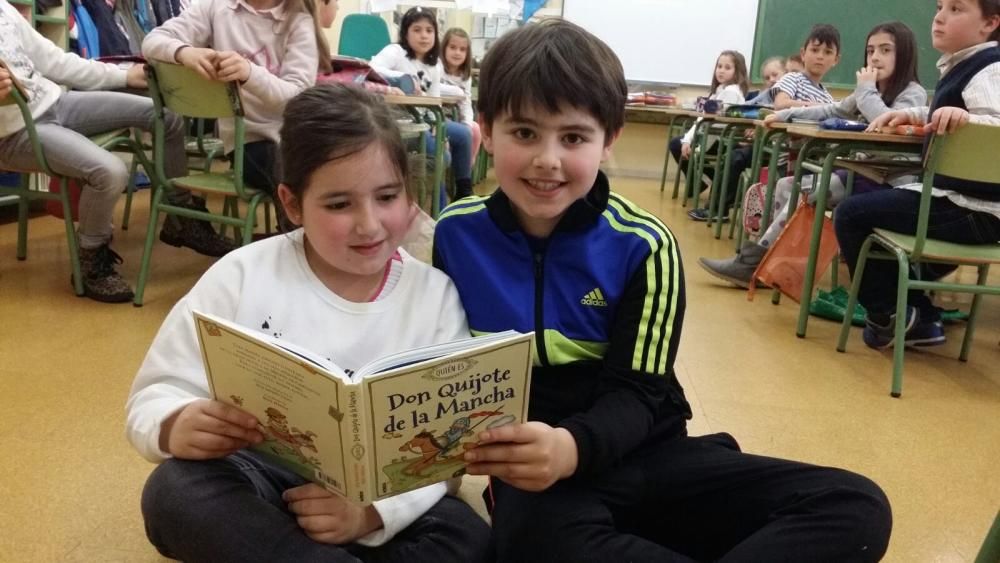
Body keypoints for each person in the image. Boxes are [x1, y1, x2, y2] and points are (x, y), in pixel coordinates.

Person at [433, 19, 892, 562]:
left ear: (609, 140)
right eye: (524, 133)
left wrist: (573, 446)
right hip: (542, 480)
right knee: (530, 542)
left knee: (855, 505)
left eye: (574, 137)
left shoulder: (644, 245)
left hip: (645, 452)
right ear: (485, 129)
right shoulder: (456, 233)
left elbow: (640, 392)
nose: (547, 160)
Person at [127, 84, 491, 563]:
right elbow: (155, 391)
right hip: (260, 478)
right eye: (339, 204)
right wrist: (175, 424)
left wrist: (371, 513)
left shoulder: (435, 295)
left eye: (387, 196)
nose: (369, 224)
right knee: (174, 494)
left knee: (468, 538)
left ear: (409, 191)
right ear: (292, 204)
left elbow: (447, 459)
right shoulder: (241, 275)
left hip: (379, 500)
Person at [0, 0, 233, 303]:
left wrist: (122, 76)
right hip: (13, 135)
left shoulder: (4, 8)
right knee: (109, 172)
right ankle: (91, 260)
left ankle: (182, 218)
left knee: (166, 117)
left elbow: (55, 61)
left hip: (56, 103)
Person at [701, 21, 927, 288]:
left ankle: (754, 265)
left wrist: (866, 90)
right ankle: (772, 266)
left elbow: (886, 123)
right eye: (870, 50)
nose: (875, 57)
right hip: (862, 174)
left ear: (905, 55)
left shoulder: (913, 93)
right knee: (787, 185)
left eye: (885, 50)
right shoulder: (870, 90)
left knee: (812, 191)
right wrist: (783, 114)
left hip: (889, 181)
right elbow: (831, 111)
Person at [837, 0, 1000, 349]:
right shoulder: (964, 64)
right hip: (965, 205)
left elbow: (996, 123)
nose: (940, 17)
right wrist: (916, 114)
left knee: (851, 214)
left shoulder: (989, 67)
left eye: (956, 9)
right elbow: (954, 108)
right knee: (867, 210)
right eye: (940, 6)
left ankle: (900, 316)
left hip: (974, 208)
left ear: (989, 23)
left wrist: (965, 120)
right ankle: (916, 312)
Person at [142, 0, 324, 200]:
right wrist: (184, 53)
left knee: (321, 178)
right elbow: (152, 41)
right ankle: (293, 229)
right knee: (301, 184)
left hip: (294, 140)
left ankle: (295, 228)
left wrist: (250, 74)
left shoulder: (299, 21)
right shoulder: (216, 8)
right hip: (247, 143)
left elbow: (297, 100)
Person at [370, 7, 473, 202]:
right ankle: (439, 210)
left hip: (423, 121)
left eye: (429, 30)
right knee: (442, 158)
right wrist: (402, 78)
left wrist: (438, 128)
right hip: (397, 124)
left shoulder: (434, 64)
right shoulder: (396, 52)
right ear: (406, 33)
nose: (424, 36)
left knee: (463, 134)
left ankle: (463, 192)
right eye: (417, 30)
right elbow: (371, 68)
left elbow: (434, 102)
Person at [668, 50, 750, 221]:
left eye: (727, 67)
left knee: (678, 144)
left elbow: (710, 122)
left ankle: (701, 181)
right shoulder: (720, 89)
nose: (721, 70)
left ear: (738, 71)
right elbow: (702, 118)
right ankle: (699, 181)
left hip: (721, 140)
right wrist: (688, 139)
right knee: (677, 142)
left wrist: (691, 141)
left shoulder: (732, 92)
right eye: (719, 66)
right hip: (710, 137)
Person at [441, 26, 481, 196]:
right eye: (452, 47)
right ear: (443, 49)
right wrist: (457, 92)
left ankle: (464, 174)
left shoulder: (465, 75)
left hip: (455, 118)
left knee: (474, 129)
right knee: (460, 135)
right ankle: (461, 183)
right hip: (439, 115)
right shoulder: (437, 68)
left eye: (462, 49)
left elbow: (466, 103)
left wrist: (467, 123)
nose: (457, 53)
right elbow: (434, 88)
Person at [772, 24, 841, 110]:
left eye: (828, 52)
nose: (820, 56)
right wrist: (820, 107)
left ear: (836, 60)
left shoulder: (827, 98)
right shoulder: (792, 79)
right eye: (814, 50)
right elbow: (780, 104)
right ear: (803, 54)